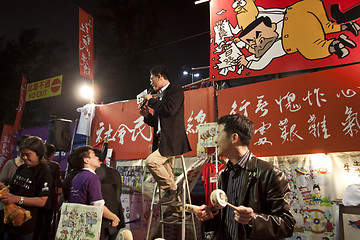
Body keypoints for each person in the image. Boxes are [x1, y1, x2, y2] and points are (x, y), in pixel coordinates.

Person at [196, 114, 295, 239]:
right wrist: (210, 217)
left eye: (219, 134)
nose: (215, 140)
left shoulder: (270, 173)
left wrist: (253, 220)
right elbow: (226, 219)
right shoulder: (224, 174)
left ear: (234, 137)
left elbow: (287, 224)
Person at [139, 65, 191, 205]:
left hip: (172, 139)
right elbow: (157, 122)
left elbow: (169, 109)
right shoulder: (159, 96)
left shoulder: (175, 90)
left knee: (151, 162)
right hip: (161, 139)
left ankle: (172, 190)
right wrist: (146, 115)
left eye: (152, 79)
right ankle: (176, 210)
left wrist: (151, 100)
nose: (151, 82)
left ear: (160, 76)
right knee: (168, 175)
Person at [0, 136, 51, 240]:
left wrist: (17, 199)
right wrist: (6, 190)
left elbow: (42, 201)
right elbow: (12, 187)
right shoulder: (22, 167)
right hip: (10, 222)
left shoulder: (44, 171)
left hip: (27, 226)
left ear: (39, 154)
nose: (24, 157)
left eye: (28, 155)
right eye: (22, 154)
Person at [68, 145, 120, 227]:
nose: (97, 158)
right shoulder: (92, 177)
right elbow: (98, 206)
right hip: (87, 225)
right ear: (86, 160)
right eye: (94, 156)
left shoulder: (77, 177)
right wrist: (114, 217)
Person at [0, 135, 30, 240]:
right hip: (7, 205)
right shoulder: (10, 164)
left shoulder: (32, 168)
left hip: (22, 208)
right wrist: (6, 188)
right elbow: (1, 181)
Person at [94, 143, 126, 240]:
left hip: (101, 217)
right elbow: (118, 193)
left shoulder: (93, 174)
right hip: (115, 214)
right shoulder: (115, 172)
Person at [34, 143, 61, 240]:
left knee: (37, 223)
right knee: (47, 225)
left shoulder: (36, 164)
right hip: (49, 199)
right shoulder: (54, 165)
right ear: (52, 154)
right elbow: (58, 183)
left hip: (35, 197)